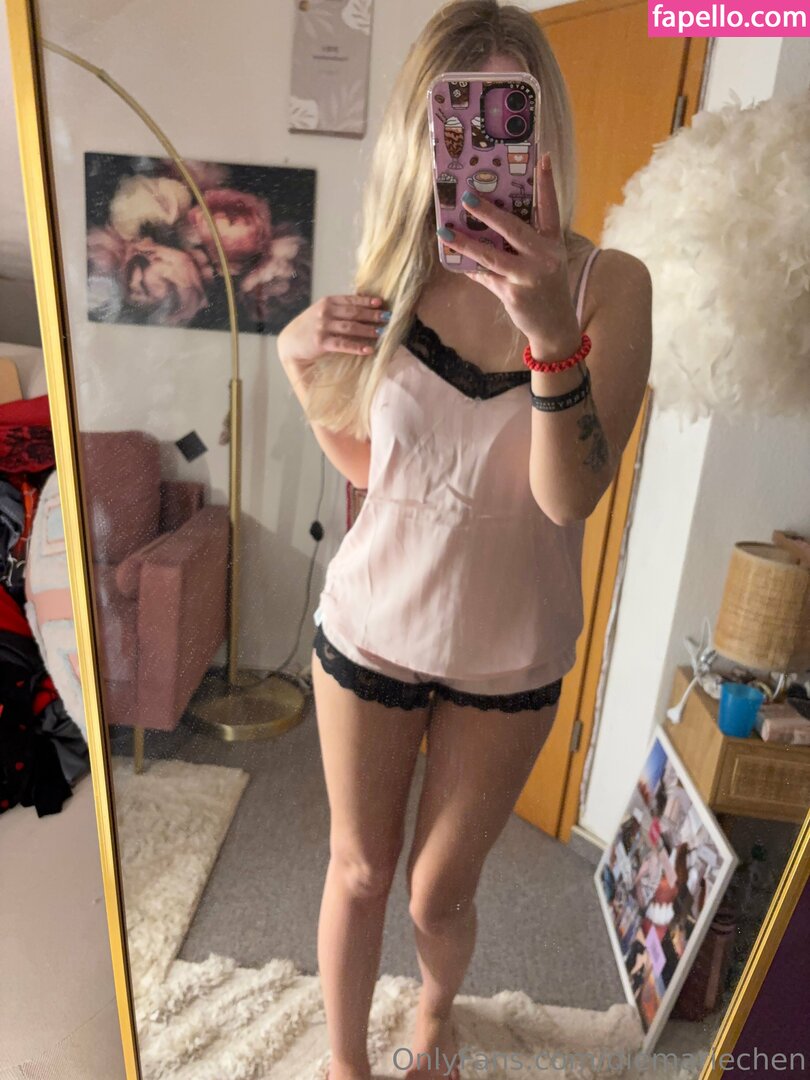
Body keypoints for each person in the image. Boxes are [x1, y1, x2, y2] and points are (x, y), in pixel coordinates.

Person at [277, 3, 652, 1077]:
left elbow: (569, 497)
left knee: (438, 893)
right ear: (424, 129)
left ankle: (436, 1007)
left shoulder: (609, 286)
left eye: (509, 112)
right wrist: (303, 374)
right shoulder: (394, 273)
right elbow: (379, 472)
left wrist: (550, 334)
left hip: (510, 652)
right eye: (461, 116)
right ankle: (347, 1064)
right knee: (358, 870)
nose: (486, 147)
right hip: (370, 627)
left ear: (545, 125)